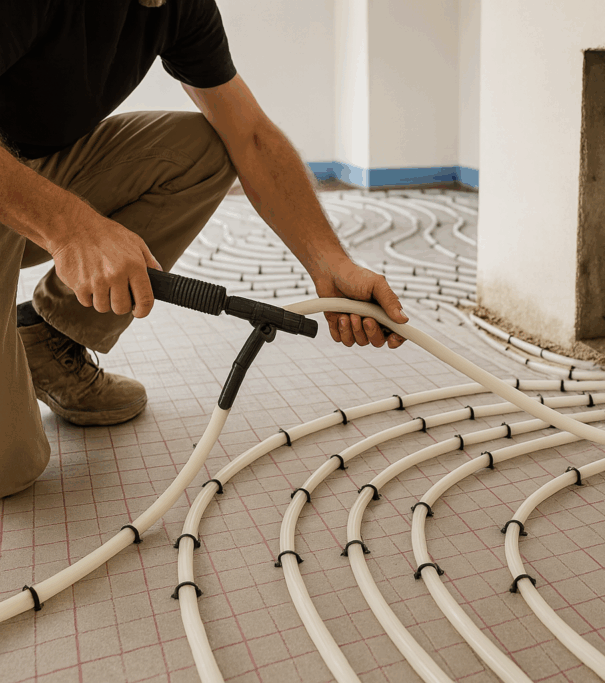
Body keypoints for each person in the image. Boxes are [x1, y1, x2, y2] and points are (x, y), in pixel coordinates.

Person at [0, 0, 408, 498]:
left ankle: (47, 339)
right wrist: (69, 226)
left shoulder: (177, 5)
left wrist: (330, 262)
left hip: (24, 173)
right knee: (11, 466)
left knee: (203, 149)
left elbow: (251, 136)